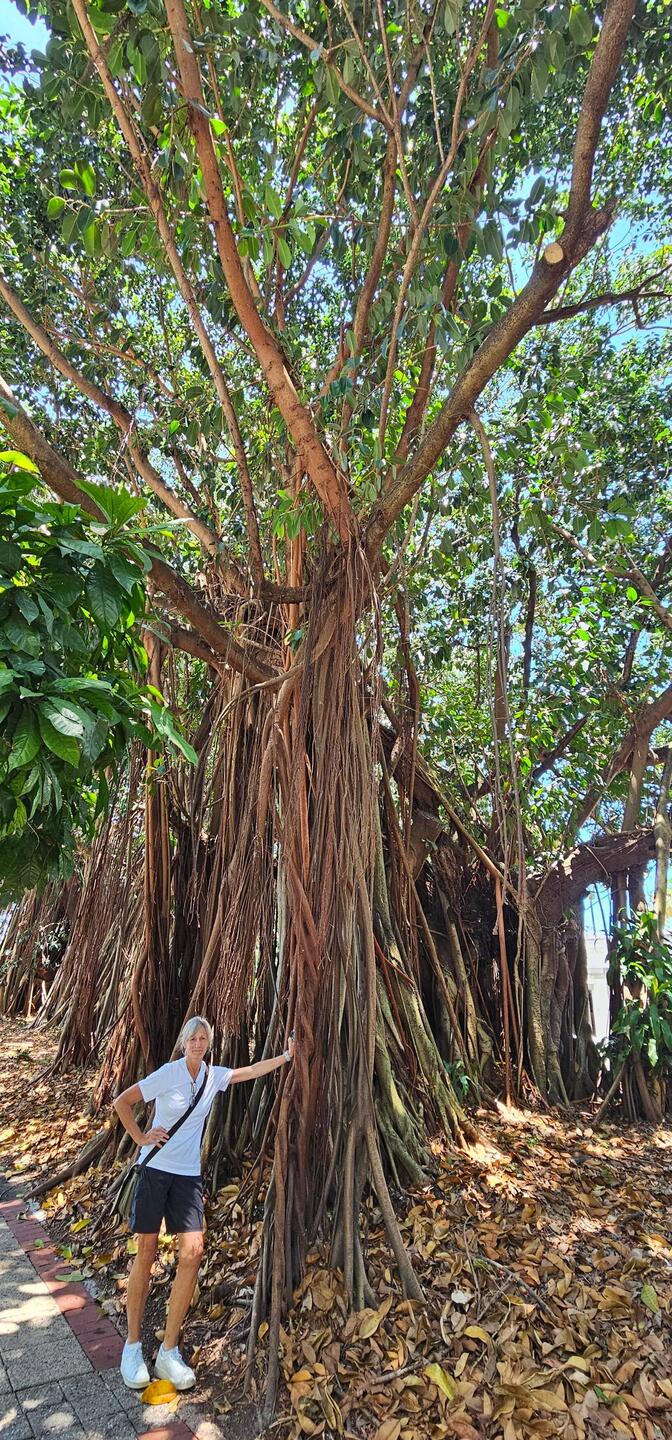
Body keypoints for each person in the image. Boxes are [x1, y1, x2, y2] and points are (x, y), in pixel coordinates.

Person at [113, 1015, 294, 1391]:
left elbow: (250, 1071)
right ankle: (132, 1346)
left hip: (188, 1176)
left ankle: (168, 1350)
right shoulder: (168, 1073)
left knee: (193, 1252)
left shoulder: (213, 1077)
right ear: (183, 1043)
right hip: (155, 1170)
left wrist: (285, 1057)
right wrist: (142, 1137)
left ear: (208, 1043)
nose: (198, 1043)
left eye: (203, 1038)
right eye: (192, 1038)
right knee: (146, 1251)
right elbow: (123, 1102)